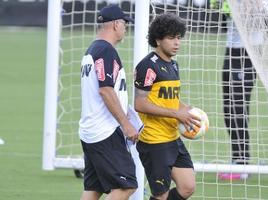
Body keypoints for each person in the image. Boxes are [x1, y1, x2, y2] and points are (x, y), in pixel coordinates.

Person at [134, 13, 200, 200]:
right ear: (158, 39)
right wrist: (175, 114)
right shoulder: (147, 66)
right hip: (154, 141)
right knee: (160, 195)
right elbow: (140, 103)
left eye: (178, 37)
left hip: (172, 138)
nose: (176, 43)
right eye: (171, 38)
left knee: (187, 186)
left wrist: (185, 108)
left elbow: (170, 98)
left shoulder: (174, 65)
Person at [79, 4, 138, 200]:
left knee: (93, 189)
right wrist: (126, 124)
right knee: (126, 185)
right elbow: (105, 90)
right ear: (115, 25)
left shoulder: (93, 49)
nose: (125, 28)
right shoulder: (105, 50)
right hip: (104, 132)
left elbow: (105, 84)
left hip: (91, 131)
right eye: (124, 24)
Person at [211, 0, 257, 180]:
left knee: (239, 107)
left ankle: (243, 163)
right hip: (231, 51)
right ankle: (236, 158)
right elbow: (216, 10)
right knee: (228, 109)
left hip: (249, 52)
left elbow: (257, 16)